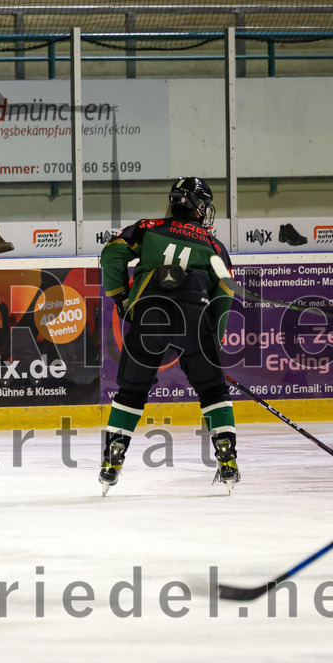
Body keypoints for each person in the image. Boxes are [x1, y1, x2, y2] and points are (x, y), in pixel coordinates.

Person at [99, 177, 238, 495]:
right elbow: (225, 291)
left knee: (131, 394)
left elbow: (111, 255)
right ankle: (227, 458)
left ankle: (113, 458)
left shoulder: (148, 227)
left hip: (150, 315)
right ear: (199, 207)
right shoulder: (213, 245)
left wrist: (121, 296)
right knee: (213, 391)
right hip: (194, 317)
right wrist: (212, 337)